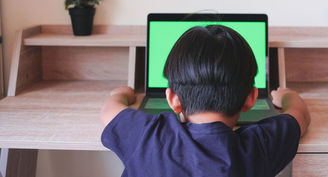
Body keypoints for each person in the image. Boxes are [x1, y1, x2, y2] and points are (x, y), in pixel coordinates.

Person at [100, 25, 310, 177]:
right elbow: (300, 115)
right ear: (251, 98)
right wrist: (287, 96)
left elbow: (108, 112)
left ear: (173, 99)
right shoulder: (261, 145)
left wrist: (122, 94)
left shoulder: (148, 135)